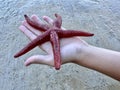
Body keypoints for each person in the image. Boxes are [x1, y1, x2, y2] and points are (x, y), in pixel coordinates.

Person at [19, 14, 120, 81]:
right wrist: (81, 51)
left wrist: (80, 51)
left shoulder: (53, 31)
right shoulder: (55, 29)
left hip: (53, 34)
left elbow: (58, 22)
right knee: (35, 41)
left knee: (36, 41)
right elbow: (57, 21)